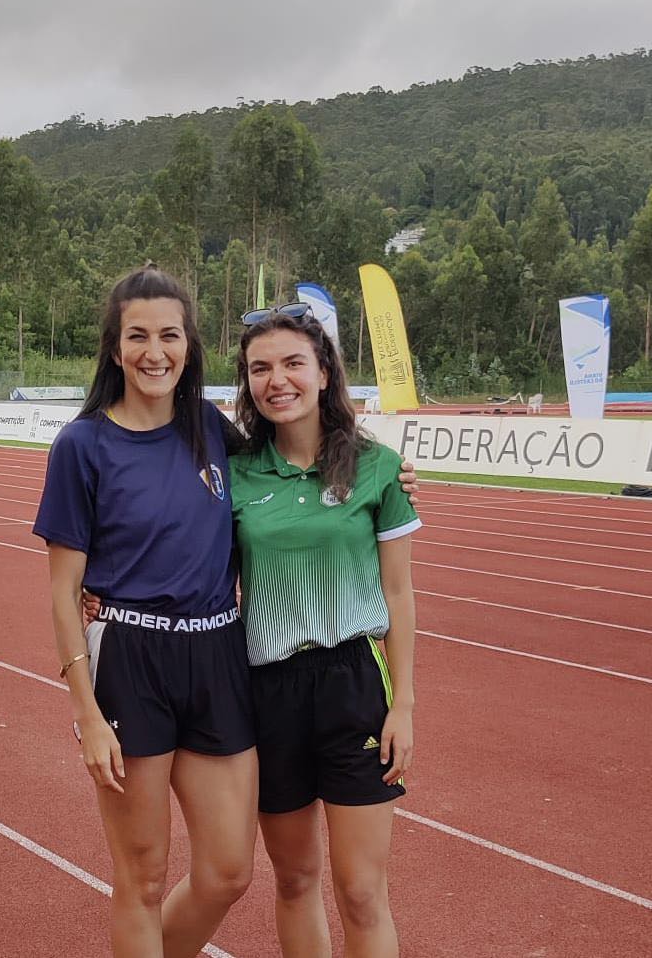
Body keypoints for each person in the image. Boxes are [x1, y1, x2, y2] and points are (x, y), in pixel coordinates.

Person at [39, 266, 419, 957]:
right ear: (114, 347)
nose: (155, 351)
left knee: (227, 871)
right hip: (136, 660)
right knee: (144, 877)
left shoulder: (213, 434)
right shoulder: (82, 445)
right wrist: (86, 711)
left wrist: (385, 466)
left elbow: (303, 449)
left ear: (188, 347)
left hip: (222, 657)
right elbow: (64, 588)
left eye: (170, 335)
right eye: (137, 336)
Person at [230, 303, 420, 958]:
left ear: (322, 371)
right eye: (259, 368)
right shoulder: (235, 475)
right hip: (269, 692)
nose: (275, 379)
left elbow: (399, 591)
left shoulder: (379, 468)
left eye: (290, 363)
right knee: (294, 878)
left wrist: (405, 707)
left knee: (363, 890)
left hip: (355, 685)